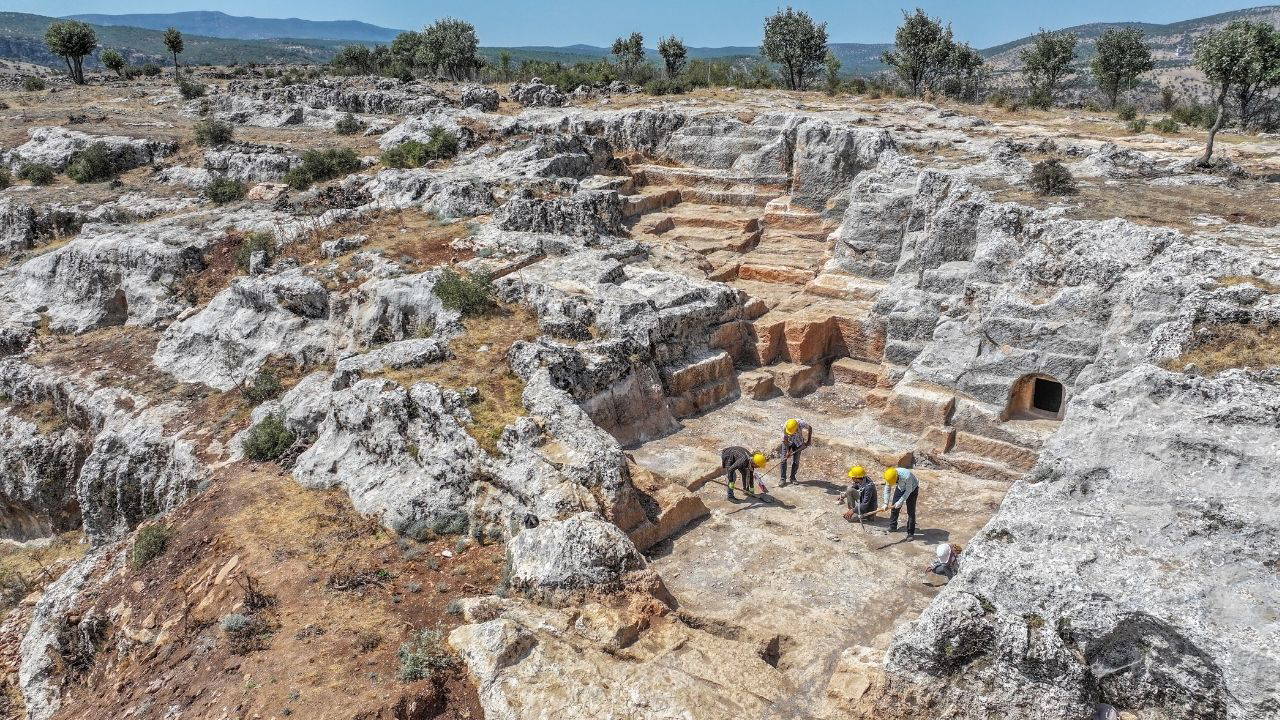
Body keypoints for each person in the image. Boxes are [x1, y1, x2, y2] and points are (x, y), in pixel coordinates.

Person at [884, 466, 919, 538]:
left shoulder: (907, 476)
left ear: (897, 477)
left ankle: (910, 533)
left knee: (911, 512)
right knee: (894, 508)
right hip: (901, 487)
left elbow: (908, 491)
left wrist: (900, 502)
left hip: (912, 489)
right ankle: (893, 526)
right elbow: (887, 489)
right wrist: (885, 503)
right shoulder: (890, 475)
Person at [778, 418, 812, 486]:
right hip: (788, 442)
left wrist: (809, 440)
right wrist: (788, 452)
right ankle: (782, 478)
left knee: (796, 461)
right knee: (783, 460)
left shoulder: (801, 423)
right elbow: (785, 440)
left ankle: (793, 477)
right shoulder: (785, 427)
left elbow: (810, 428)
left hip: (798, 442)